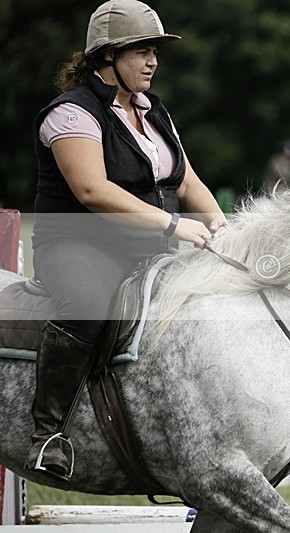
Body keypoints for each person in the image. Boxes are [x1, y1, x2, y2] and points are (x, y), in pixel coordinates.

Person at [27, 0, 227, 481]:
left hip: (149, 248)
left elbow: (186, 182)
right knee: (90, 303)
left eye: (154, 50)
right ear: (105, 58)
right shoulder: (71, 113)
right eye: (140, 51)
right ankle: (47, 434)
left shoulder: (153, 111)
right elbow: (92, 191)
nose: (153, 61)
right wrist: (172, 225)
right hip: (79, 246)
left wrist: (221, 226)